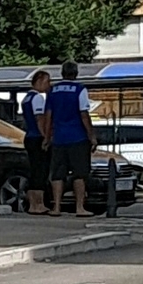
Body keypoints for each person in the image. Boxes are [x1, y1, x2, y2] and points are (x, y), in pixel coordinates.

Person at [46, 60, 97, 215]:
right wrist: (91, 135)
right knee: (79, 173)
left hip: (59, 138)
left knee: (57, 174)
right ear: (76, 74)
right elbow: (84, 114)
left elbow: (48, 115)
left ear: (62, 73)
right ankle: (80, 207)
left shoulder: (52, 91)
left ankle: (56, 207)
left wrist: (47, 137)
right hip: (77, 138)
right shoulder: (80, 89)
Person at [21, 68, 53, 215]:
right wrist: (46, 137)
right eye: (47, 81)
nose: (49, 85)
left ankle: (32, 203)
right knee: (41, 171)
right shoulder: (38, 98)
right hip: (37, 137)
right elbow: (39, 119)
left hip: (28, 136)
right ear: (39, 81)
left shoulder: (26, 98)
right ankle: (39, 203)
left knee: (34, 170)